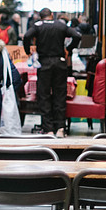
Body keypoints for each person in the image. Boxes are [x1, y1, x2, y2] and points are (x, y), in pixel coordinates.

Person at [23, 8, 82, 137]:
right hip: (60, 63)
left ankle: (48, 129)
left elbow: (27, 36)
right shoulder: (61, 25)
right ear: (51, 15)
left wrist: (28, 51)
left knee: (43, 95)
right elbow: (77, 35)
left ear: (40, 17)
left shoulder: (38, 26)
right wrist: (69, 49)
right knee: (59, 95)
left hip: (44, 64)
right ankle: (60, 128)